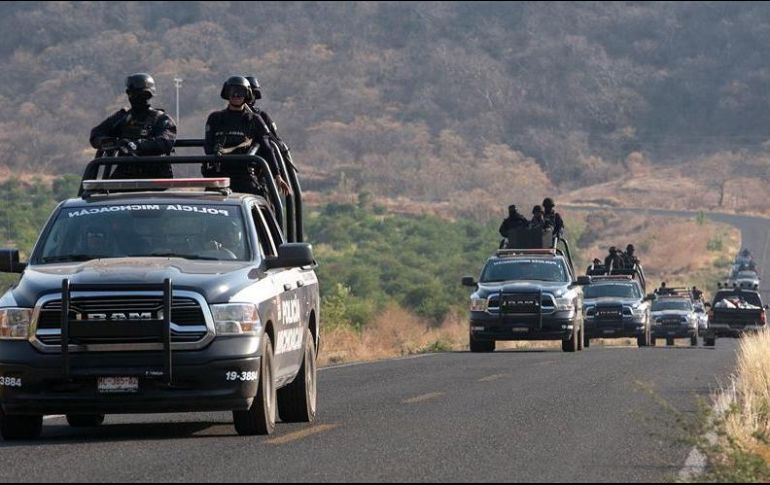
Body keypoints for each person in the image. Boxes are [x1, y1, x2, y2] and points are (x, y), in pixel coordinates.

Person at [203, 76, 290, 196]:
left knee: (262, 201)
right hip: (219, 175)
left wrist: (277, 175)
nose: (236, 96)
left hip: (245, 175)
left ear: (247, 94)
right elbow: (208, 146)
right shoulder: (215, 118)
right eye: (232, 92)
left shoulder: (255, 120)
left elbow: (267, 148)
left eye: (240, 92)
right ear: (227, 93)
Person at [89, 73, 177, 178]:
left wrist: (136, 145)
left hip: (155, 174)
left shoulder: (162, 119)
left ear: (150, 95)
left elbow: (165, 142)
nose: (137, 97)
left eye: (143, 94)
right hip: (126, 171)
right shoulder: (122, 117)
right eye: (133, 93)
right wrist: (115, 143)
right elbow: (96, 134)